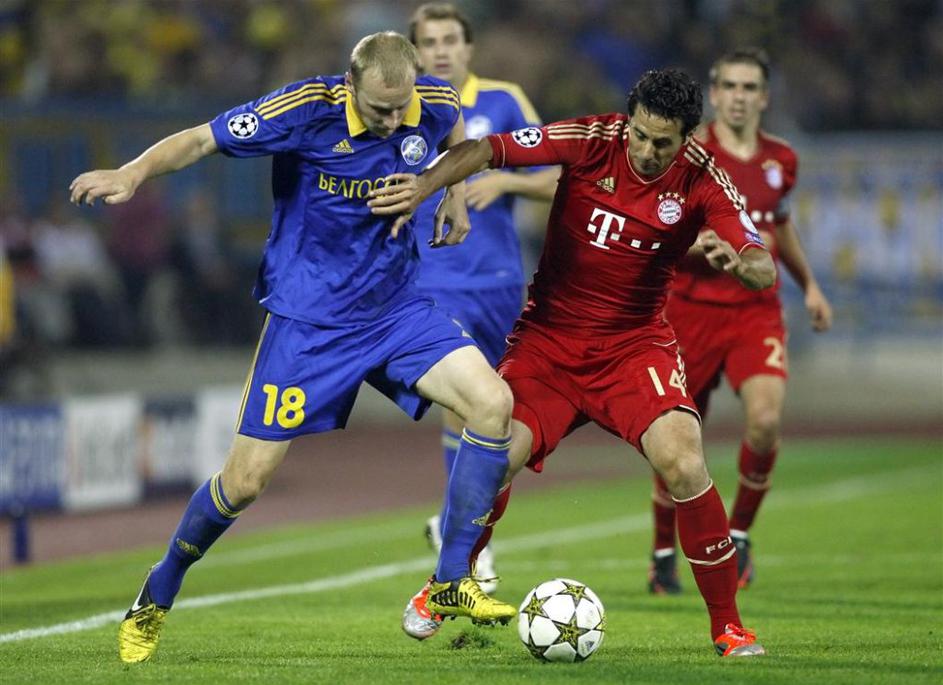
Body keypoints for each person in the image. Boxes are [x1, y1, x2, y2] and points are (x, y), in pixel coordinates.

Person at [69, 32, 519, 664]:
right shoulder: (304, 109)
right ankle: (160, 587)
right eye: (380, 109)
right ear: (350, 83)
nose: (394, 121)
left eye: (402, 108)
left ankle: (450, 579)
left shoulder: (434, 101)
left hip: (396, 310)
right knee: (245, 483)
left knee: (493, 404)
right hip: (309, 325)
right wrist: (132, 172)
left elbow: (458, 139)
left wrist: (451, 193)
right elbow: (200, 139)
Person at [370, 68, 774, 657]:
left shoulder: (702, 176)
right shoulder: (590, 139)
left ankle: (728, 627)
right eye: (640, 134)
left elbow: (758, 259)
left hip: (633, 348)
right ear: (629, 119)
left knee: (685, 462)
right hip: (549, 344)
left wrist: (746, 265)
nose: (646, 151)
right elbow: (485, 149)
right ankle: (445, 585)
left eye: (663, 143)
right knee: (494, 460)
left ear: (687, 137)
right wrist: (426, 186)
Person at [647, 49, 833, 596]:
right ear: (714, 92)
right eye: (728, 86)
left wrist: (810, 283)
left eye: (749, 87)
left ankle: (741, 534)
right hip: (690, 310)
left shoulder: (782, 159)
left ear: (764, 97)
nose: (738, 96)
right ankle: (663, 552)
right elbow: (657, 224)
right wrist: (700, 245)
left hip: (755, 310)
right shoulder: (686, 152)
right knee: (678, 440)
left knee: (766, 421)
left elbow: (779, 224)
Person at [403, 2, 560, 638]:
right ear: (414, 52)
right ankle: (466, 551)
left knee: (498, 413)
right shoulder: (401, 109)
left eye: (451, 39)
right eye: (429, 41)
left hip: (498, 282)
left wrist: (506, 183)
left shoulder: (504, 99)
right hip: (432, 279)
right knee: (465, 405)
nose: (441, 50)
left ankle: (455, 529)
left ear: (469, 48)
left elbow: (558, 176)